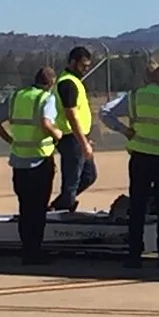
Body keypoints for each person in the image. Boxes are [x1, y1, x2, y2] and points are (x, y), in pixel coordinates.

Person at [0, 66, 65, 265]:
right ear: (51, 83)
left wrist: (10, 140)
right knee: (38, 209)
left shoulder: (16, 96)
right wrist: (58, 135)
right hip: (39, 160)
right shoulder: (46, 98)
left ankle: (27, 249)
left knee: (25, 208)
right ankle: (34, 252)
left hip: (19, 160)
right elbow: (46, 123)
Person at [108, 62, 159, 269]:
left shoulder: (133, 96)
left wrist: (124, 130)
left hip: (140, 158)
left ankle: (134, 255)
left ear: (144, 78)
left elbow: (105, 113)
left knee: (137, 207)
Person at [51, 46, 98, 211]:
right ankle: (64, 209)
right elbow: (71, 115)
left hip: (78, 137)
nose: (86, 69)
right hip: (71, 138)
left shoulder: (75, 81)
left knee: (89, 175)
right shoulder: (67, 83)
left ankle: (59, 205)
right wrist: (83, 142)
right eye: (83, 65)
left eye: (88, 66)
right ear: (72, 62)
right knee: (72, 180)